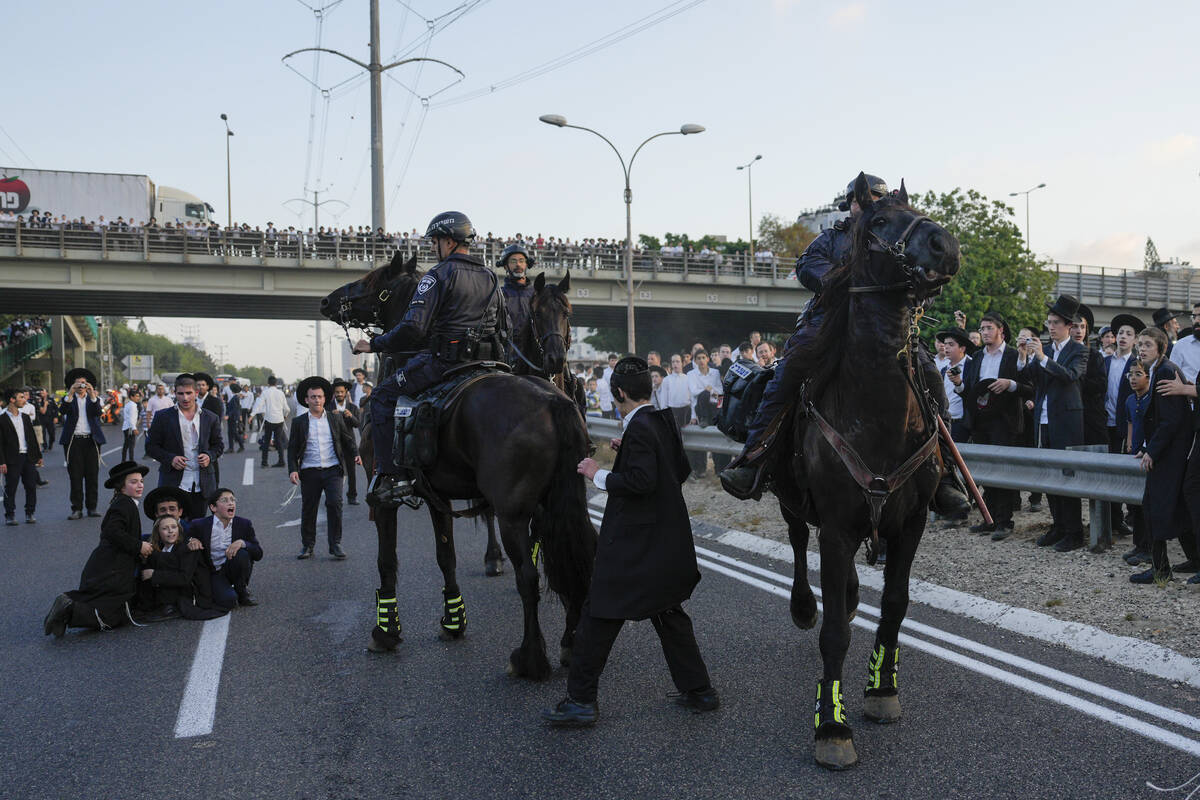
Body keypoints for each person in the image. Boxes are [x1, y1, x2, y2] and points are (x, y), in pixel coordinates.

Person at [720, 173, 969, 518]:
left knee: (930, 377)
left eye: (881, 200)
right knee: (789, 371)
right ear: (851, 204)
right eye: (865, 200)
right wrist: (842, 280)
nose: (871, 205)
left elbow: (915, 278)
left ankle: (944, 476)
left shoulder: (894, 236)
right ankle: (755, 458)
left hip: (891, 334)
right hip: (829, 325)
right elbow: (806, 266)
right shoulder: (832, 238)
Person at [543, 357, 717, 726]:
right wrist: (630, 452)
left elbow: (640, 483)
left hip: (635, 547)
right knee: (669, 612)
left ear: (619, 392)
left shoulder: (641, 430)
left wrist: (598, 473)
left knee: (599, 613)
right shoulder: (662, 422)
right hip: (668, 542)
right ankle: (700, 691)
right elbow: (678, 470)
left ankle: (580, 702)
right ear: (649, 388)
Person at [353, 211, 506, 506]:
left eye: (435, 241)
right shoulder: (490, 276)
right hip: (487, 364)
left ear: (448, 241)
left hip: (445, 363)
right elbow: (503, 325)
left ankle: (391, 478)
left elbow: (413, 327)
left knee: (383, 396)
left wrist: (376, 344)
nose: (433, 248)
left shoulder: (438, 275)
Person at [43, 461, 153, 637]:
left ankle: (66, 611)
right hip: (112, 566)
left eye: (141, 481)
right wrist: (138, 546)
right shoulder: (124, 504)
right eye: (133, 481)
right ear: (121, 487)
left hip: (110, 563)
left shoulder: (124, 502)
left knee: (99, 598)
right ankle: (68, 609)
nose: (140, 485)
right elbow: (111, 531)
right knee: (112, 614)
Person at [1019, 295, 1088, 553]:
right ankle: (1058, 526)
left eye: (1056, 323)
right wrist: (1025, 357)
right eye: (1048, 322)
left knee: (1066, 476)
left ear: (1068, 326)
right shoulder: (1045, 349)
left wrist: (1044, 359)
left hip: (1067, 420)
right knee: (1050, 475)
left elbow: (1071, 376)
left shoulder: (1080, 350)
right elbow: (1031, 378)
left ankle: (1074, 531)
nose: (1051, 327)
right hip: (1044, 418)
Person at [954, 313, 1029, 539]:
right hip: (980, 420)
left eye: (988, 328)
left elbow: (1029, 387)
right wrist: (958, 385)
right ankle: (990, 519)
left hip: (1004, 422)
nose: (984, 332)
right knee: (986, 472)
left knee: (1002, 471)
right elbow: (969, 392)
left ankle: (1004, 522)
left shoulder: (1015, 356)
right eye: (982, 328)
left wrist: (1010, 384)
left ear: (1001, 331)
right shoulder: (976, 358)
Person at [1130, 328, 1190, 584]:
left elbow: (1171, 420)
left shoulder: (1165, 370)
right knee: (1169, 508)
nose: (1142, 349)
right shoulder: (1158, 368)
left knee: (1154, 507)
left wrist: (1152, 451)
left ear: (1161, 348)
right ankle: (1165, 566)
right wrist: (1147, 446)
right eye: (1140, 345)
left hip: (1171, 453)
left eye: (1148, 345)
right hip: (1169, 450)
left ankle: (1160, 570)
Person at [288, 376, 358, 560]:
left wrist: (356, 454)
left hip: (333, 469)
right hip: (310, 471)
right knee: (309, 508)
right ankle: (307, 546)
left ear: (325, 398)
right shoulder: (299, 422)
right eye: (312, 397)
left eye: (319, 396)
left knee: (335, 504)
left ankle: (335, 544)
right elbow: (292, 449)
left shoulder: (335, 419)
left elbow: (347, 440)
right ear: (306, 400)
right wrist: (293, 469)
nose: (316, 400)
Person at [144, 375, 224, 520]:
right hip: (173, 483)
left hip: (202, 484)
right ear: (175, 393)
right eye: (181, 394)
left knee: (197, 530)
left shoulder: (210, 418)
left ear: (196, 393)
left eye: (189, 393)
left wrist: (209, 456)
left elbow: (218, 445)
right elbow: (150, 446)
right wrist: (170, 458)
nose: (185, 398)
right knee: (171, 530)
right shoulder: (163, 417)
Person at [135, 515, 226, 622]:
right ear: (158, 532)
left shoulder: (188, 547)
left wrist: (154, 574)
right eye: (165, 528)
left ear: (179, 529)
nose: (170, 531)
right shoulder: (158, 548)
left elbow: (184, 578)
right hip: (175, 586)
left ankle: (169, 605)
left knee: (156, 572)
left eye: (174, 527)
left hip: (192, 591)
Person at [189, 488, 263, 608]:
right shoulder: (199, 525)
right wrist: (192, 540)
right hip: (214, 572)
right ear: (213, 507)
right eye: (225, 500)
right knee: (229, 601)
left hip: (232, 567)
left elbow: (258, 553)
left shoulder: (244, 524)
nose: (231, 503)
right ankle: (227, 591)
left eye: (233, 500)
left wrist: (242, 542)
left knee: (242, 554)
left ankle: (242, 590)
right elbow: (184, 538)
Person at [1105, 313, 1144, 540]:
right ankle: (1114, 520)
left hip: (1127, 427)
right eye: (1120, 333)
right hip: (1105, 424)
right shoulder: (1106, 361)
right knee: (1107, 475)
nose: (1123, 337)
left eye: (1129, 334)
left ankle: (1135, 522)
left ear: (1135, 340)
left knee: (1127, 476)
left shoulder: (1136, 365)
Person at [59, 367, 105, 520]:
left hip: (91, 441)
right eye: (78, 383)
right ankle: (76, 509)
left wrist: (92, 395)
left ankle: (92, 507)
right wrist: (70, 393)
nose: (81, 386)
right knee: (75, 476)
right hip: (74, 441)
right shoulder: (68, 399)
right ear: (73, 385)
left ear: (89, 385)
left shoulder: (94, 399)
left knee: (92, 476)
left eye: (84, 383)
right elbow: (63, 411)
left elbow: (98, 412)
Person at [1, 387, 43, 525]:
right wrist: (2, 462)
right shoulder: (2, 419)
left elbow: (31, 437)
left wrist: (38, 455)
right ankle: (10, 515)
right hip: (12, 459)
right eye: (21, 397)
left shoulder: (25, 417)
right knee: (11, 488)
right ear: (12, 400)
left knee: (31, 486)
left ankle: (30, 513)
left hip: (28, 457)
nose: (24, 400)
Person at [1074, 305, 1109, 446]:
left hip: (1090, 417)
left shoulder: (1094, 355)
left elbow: (1101, 385)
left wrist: (1074, 379)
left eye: (1082, 327)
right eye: (1075, 326)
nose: (1079, 331)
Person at [686, 349, 723, 477]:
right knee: (704, 394)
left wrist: (711, 389)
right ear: (695, 361)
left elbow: (720, 390)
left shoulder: (715, 372)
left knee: (718, 438)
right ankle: (699, 469)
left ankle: (720, 469)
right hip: (700, 408)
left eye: (703, 357)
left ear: (707, 359)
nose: (701, 360)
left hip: (714, 406)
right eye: (698, 358)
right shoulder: (691, 374)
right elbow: (694, 391)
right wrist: (708, 390)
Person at [938, 327, 976, 445]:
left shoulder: (972, 365)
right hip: (944, 423)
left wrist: (959, 383)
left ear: (962, 348)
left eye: (951, 344)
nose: (946, 347)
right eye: (945, 344)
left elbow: (972, 395)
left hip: (962, 423)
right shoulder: (944, 369)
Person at [498, 243, 535, 362]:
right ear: (505, 266)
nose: (518, 264)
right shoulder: (498, 294)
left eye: (521, 260)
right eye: (513, 261)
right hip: (507, 354)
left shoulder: (537, 294)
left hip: (533, 353)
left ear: (526, 264)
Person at [330, 378, 362, 505]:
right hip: (334, 443)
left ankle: (352, 496)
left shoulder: (352, 407)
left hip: (349, 444)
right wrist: (332, 416)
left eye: (341, 392)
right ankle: (335, 497)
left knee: (351, 472)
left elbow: (357, 424)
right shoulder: (329, 407)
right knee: (335, 472)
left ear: (346, 392)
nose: (339, 394)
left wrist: (350, 416)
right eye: (337, 392)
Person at [258, 375, 289, 468]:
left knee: (266, 441)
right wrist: (285, 416)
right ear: (276, 383)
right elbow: (287, 409)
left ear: (268, 384)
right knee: (278, 441)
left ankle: (264, 462)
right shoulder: (281, 393)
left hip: (269, 419)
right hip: (279, 420)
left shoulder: (265, 393)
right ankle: (281, 461)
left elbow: (259, 405)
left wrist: (252, 415)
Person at [121, 386, 142, 461]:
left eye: (138, 396)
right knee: (131, 446)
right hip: (130, 428)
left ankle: (123, 460)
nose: (138, 398)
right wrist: (134, 429)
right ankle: (131, 461)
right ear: (131, 397)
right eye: (136, 396)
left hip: (126, 427)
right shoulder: (133, 406)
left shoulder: (128, 404)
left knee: (126, 445)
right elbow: (131, 419)